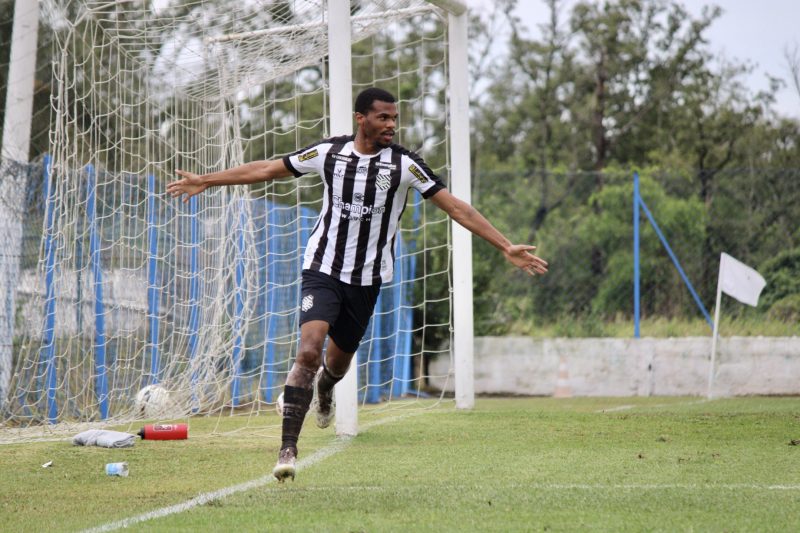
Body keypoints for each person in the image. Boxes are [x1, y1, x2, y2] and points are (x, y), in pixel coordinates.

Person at [167, 87, 548, 482]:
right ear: (360, 118)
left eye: (394, 119)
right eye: (383, 118)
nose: (391, 126)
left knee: (335, 363)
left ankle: (326, 391)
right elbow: (266, 169)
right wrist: (207, 181)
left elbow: (455, 206)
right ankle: (288, 449)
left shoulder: (405, 165)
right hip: (322, 268)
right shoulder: (329, 153)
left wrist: (505, 246)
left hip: (366, 280)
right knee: (309, 352)